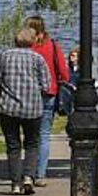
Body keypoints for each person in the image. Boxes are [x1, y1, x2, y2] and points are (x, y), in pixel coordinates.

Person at [0, 28, 51, 195]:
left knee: (13, 145)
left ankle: (15, 183)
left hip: (8, 107)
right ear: (33, 41)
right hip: (32, 108)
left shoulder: (5, 56)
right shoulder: (38, 58)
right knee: (32, 143)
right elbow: (46, 84)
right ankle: (28, 176)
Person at [24, 17, 67, 184]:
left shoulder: (25, 47)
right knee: (44, 135)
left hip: (27, 94)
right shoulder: (53, 45)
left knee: (29, 135)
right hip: (49, 92)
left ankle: (27, 172)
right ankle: (40, 173)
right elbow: (64, 72)